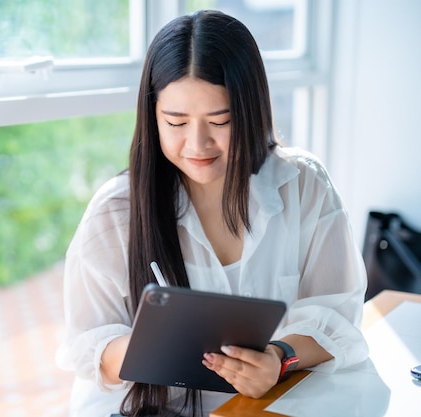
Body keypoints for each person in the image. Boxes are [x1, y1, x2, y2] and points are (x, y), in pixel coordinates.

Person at [56, 9, 368, 417]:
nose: (197, 144)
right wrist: (154, 351)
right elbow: (85, 343)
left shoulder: (303, 186)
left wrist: (279, 358)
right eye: (176, 122)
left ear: (252, 110)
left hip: (260, 406)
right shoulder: (117, 211)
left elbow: (337, 313)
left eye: (220, 121)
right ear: (153, 118)